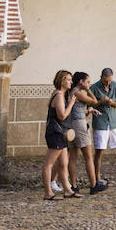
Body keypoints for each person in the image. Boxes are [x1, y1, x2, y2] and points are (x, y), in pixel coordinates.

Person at [42, 70, 77, 200]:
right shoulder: (59, 96)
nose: (71, 82)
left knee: (63, 163)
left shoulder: (60, 94)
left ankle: (67, 190)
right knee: (49, 163)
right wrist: (72, 104)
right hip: (55, 133)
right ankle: (48, 193)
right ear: (62, 81)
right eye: (68, 79)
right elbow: (62, 116)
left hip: (59, 133)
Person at [68, 72, 104, 194]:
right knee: (88, 156)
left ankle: (73, 185)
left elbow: (77, 111)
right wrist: (88, 90)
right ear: (81, 82)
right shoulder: (78, 93)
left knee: (73, 157)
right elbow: (94, 101)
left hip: (71, 125)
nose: (89, 84)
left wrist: (88, 111)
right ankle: (93, 185)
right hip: (80, 125)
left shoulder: (72, 92)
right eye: (87, 81)